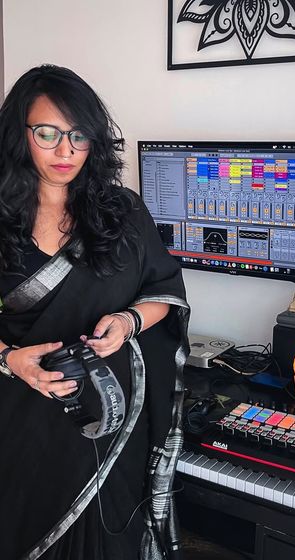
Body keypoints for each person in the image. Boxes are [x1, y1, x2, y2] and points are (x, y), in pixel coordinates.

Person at [0, 64, 189, 560]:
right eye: (48, 134)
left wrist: (128, 323)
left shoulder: (122, 212)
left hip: (112, 431)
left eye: (79, 135)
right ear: (19, 135)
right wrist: (9, 358)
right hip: (22, 430)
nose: (65, 151)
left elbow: (164, 292)